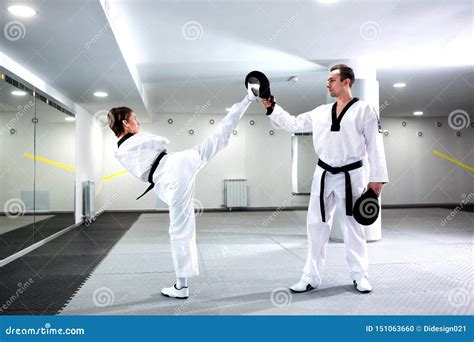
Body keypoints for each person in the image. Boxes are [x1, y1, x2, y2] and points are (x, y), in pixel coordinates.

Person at [108, 85, 258, 299]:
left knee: (179, 231)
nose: (138, 122)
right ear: (125, 123)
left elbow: (151, 156)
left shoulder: (122, 150)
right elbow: (156, 144)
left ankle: (181, 287)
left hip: (172, 177)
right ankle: (247, 99)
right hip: (180, 162)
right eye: (134, 118)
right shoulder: (126, 148)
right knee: (219, 137)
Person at [262, 64, 389, 293]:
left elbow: (375, 146)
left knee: (353, 227)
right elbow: (294, 123)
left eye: (332, 80)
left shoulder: (364, 110)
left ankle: (360, 275)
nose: (327, 84)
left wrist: (377, 180)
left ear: (346, 81)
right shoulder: (320, 111)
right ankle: (310, 277)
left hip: (352, 176)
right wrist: (272, 107)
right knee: (315, 226)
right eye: (328, 80)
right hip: (322, 175)